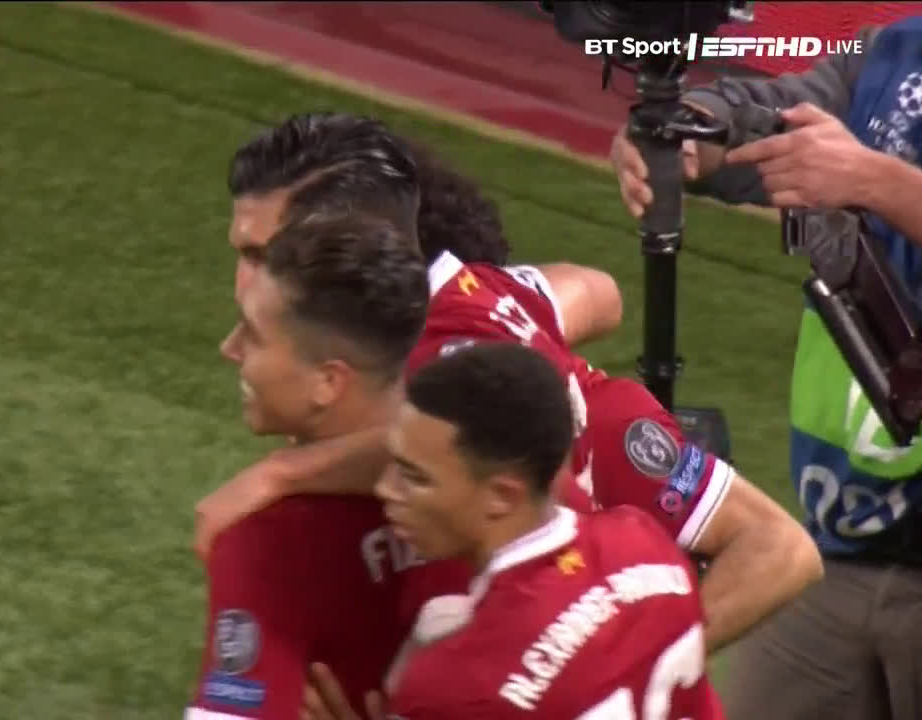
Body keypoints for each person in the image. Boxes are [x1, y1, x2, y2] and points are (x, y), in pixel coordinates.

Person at [199, 112, 822, 654]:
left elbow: (779, 548)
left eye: (262, 256)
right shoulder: (470, 306)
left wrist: (629, 669)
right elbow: (599, 294)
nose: (243, 288)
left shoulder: (472, 390)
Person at [610, 19, 922, 720]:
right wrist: (686, 131)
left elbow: (855, 169)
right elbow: (774, 114)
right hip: (842, 535)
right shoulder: (895, 53)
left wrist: (877, 180)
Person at [300, 343, 724, 720]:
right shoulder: (645, 543)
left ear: (502, 495)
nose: (384, 489)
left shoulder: (454, 689)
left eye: (415, 477)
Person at [186, 212, 470, 720]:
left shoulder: (268, 544)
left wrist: (283, 471)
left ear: (328, 382)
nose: (230, 349)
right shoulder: (498, 474)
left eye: (253, 335)